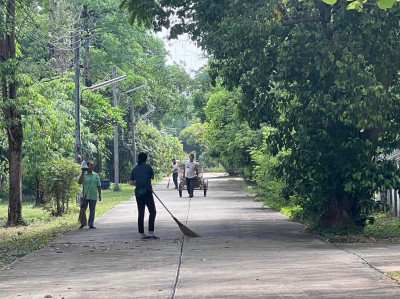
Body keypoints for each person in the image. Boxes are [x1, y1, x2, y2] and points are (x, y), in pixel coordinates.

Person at [130, 152, 159, 240]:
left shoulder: (134, 169)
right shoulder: (148, 167)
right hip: (147, 192)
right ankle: (151, 232)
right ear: (146, 159)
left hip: (138, 193)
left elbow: (131, 182)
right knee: (152, 211)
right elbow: (152, 177)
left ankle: (142, 234)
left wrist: (138, 184)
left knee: (141, 213)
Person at [78, 161, 101, 229]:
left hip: (93, 196)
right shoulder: (84, 174)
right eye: (91, 165)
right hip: (85, 196)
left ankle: (91, 224)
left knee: (92, 210)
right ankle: (83, 223)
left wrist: (100, 195)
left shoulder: (96, 175)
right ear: (87, 166)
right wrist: (82, 173)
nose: (92, 166)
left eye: (93, 165)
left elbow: (99, 186)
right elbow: (79, 182)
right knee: (82, 210)